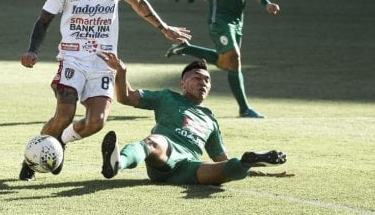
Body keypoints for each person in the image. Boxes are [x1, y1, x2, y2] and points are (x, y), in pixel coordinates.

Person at [18, 0, 192, 181]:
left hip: (103, 63)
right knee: (64, 115)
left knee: (96, 122)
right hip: (72, 59)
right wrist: (32, 51)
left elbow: (139, 3)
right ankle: (31, 161)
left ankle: (60, 144)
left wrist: (164, 28)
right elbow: (43, 20)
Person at [97, 53, 291, 185]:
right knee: (154, 142)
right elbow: (125, 97)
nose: (203, 83)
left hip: (190, 167)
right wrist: (121, 72)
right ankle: (117, 164)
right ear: (183, 83)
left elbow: (221, 158)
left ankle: (251, 161)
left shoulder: (210, 120)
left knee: (221, 171)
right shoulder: (167, 97)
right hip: (166, 155)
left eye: (207, 80)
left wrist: (256, 170)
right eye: (197, 78)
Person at [165, 0, 280, 119]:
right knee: (234, 59)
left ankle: (186, 48)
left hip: (238, 21)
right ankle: (244, 109)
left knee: (227, 62)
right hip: (219, 19)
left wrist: (266, 3)